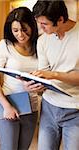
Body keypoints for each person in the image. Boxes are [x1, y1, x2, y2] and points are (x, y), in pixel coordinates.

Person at [0, 7, 43, 150]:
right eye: (15, 30)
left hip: (31, 107)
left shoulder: (40, 46)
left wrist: (40, 88)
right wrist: (7, 106)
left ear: (32, 26)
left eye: (25, 29)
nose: (20, 34)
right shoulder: (5, 45)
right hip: (8, 104)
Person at [30, 0, 79, 150]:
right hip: (49, 108)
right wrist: (34, 84)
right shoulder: (43, 40)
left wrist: (54, 75)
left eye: (44, 24)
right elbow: (44, 75)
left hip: (75, 110)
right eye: (39, 23)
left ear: (60, 20)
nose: (41, 28)